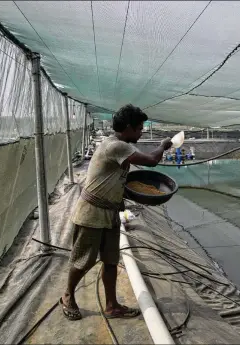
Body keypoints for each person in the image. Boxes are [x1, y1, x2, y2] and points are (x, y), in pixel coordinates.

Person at [60, 104, 173, 321]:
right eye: (139, 128)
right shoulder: (116, 146)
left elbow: (117, 182)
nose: (141, 132)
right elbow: (151, 161)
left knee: (111, 260)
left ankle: (112, 306)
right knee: (82, 260)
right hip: (91, 213)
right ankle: (67, 296)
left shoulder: (118, 146)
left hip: (109, 213)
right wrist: (163, 145)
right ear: (128, 127)